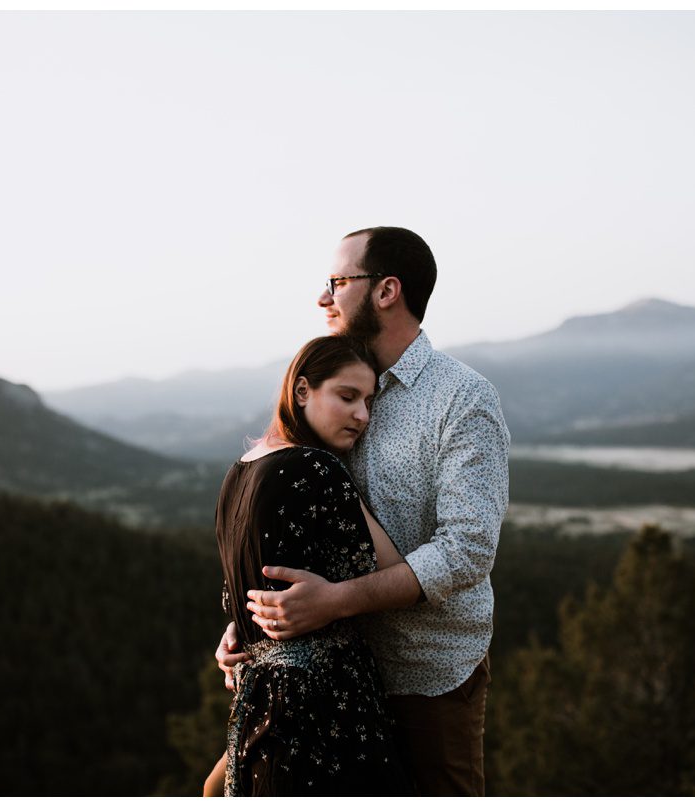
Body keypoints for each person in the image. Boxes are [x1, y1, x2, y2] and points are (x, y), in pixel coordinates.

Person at [217, 227, 510, 796]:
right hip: (323, 682)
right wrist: (250, 627)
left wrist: (333, 602)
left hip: (427, 674)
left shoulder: (462, 398)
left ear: (386, 291)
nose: (323, 298)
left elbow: (466, 551)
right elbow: (287, 527)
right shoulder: (333, 385)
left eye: (337, 282)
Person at [209, 334, 412, 796]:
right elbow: (394, 571)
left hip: (257, 699)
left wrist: (240, 634)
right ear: (302, 391)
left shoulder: (238, 471)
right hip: (325, 710)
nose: (362, 415)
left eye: (368, 401)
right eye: (347, 396)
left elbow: (240, 595)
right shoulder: (314, 469)